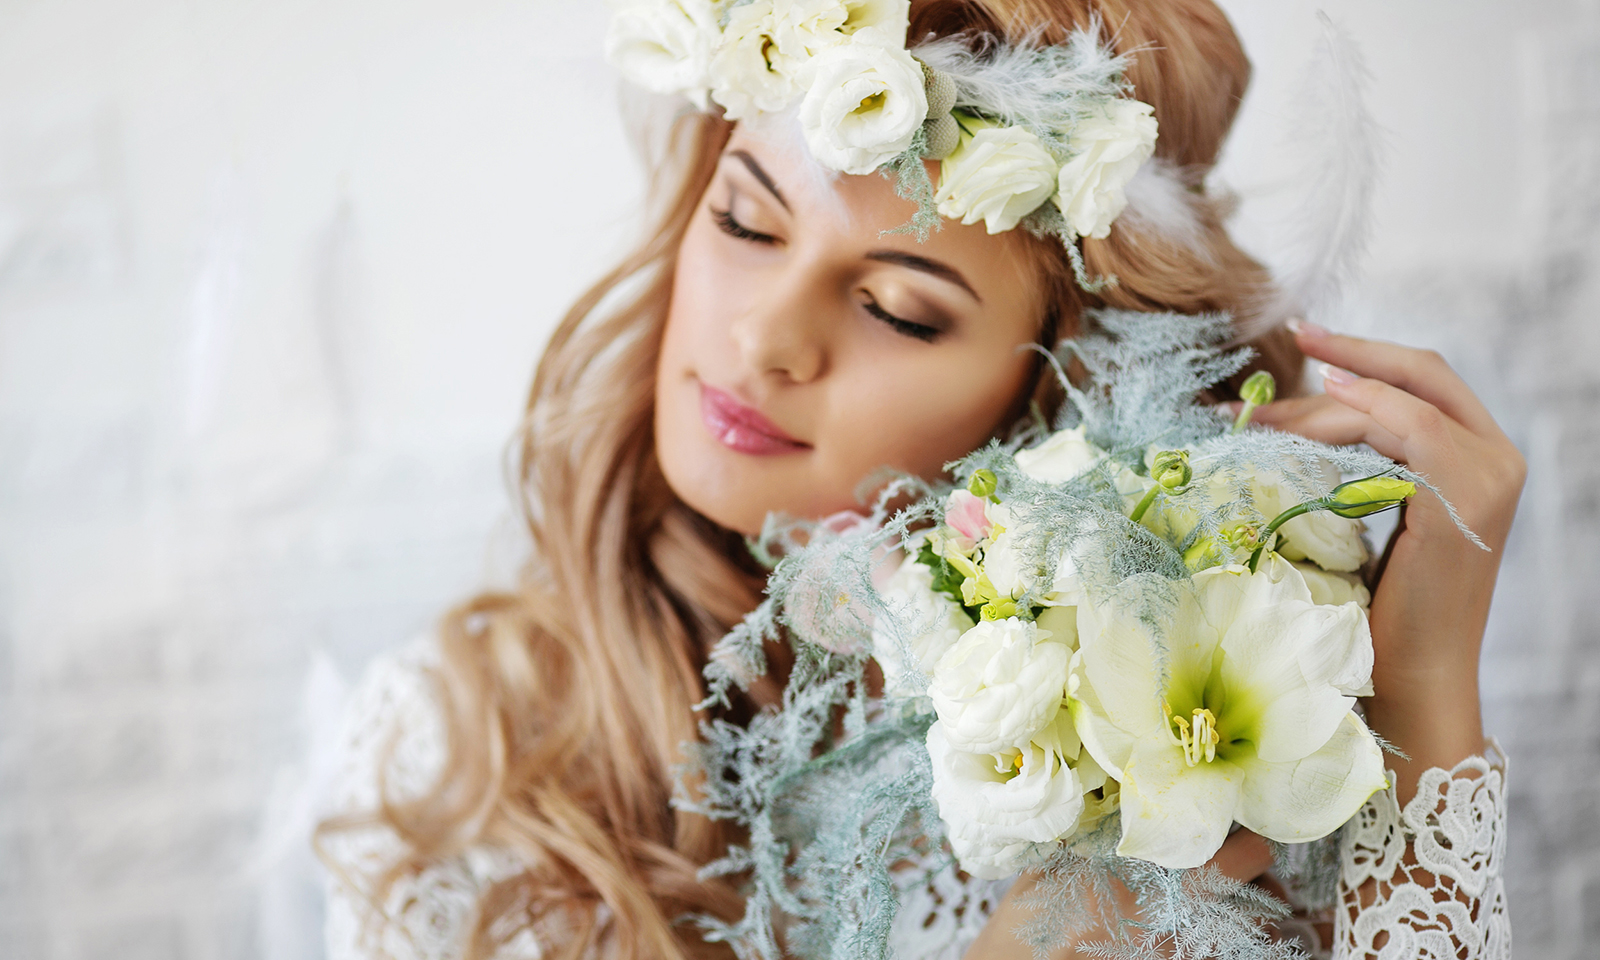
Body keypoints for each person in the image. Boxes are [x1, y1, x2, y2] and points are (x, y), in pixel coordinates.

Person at [318, 1, 1521, 958]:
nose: (764, 342)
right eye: (744, 224)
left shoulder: (1177, 773)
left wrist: (1420, 696)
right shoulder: (454, 748)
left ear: (1061, 380)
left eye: (897, 308)